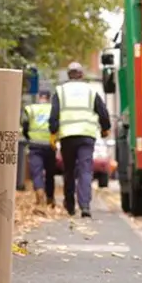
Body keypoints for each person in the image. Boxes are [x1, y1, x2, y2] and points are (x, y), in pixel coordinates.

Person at [49, 62, 111, 218]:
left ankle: (70, 205)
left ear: (69, 75)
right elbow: (102, 112)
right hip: (86, 135)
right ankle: (85, 206)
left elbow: (54, 115)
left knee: (69, 170)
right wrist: (105, 128)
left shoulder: (60, 91)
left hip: (67, 137)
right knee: (85, 170)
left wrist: (53, 132)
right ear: (81, 74)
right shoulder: (90, 90)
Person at [21, 90, 56, 207]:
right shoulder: (53, 109)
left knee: (37, 172)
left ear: (39, 97)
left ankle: (39, 192)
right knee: (50, 173)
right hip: (50, 145)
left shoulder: (31, 109)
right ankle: (50, 198)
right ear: (49, 98)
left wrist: (28, 137)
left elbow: (25, 125)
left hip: (35, 145)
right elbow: (56, 126)